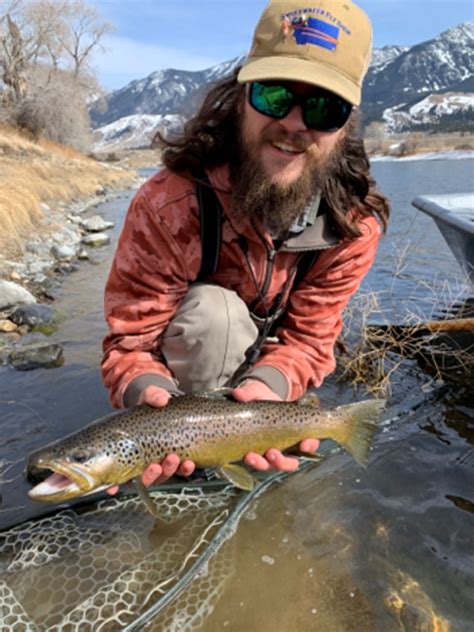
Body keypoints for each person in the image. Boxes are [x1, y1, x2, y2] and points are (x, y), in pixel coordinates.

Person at [101, 0, 390, 493]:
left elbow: (309, 340)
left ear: (346, 127)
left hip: (262, 394)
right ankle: (192, 472)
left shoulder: (352, 226)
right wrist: (151, 408)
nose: (296, 124)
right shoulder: (169, 204)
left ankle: (236, 454)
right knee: (213, 314)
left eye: (324, 108)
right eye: (275, 96)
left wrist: (268, 392)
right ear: (241, 97)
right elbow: (130, 343)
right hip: (181, 393)